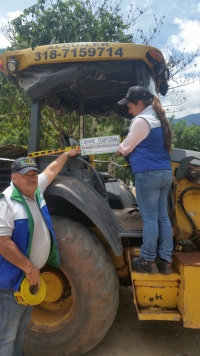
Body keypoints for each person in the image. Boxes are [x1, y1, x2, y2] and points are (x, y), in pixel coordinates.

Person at [0, 148, 81, 356]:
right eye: (26, 175)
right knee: (6, 336)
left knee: (19, 331)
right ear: (14, 178)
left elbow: (52, 169)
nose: (32, 178)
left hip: (31, 279)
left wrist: (67, 154)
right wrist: (29, 267)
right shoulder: (6, 203)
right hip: (12, 284)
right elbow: (3, 243)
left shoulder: (36, 192)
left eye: (34, 174)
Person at [116, 86, 173, 275]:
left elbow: (126, 148)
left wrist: (120, 148)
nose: (129, 111)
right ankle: (165, 260)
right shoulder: (157, 118)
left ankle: (148, 259)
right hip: (164, 172)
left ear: (140, 104)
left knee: (149, 219)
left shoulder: (141, 121)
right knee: (162, 217)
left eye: (130, 106)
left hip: (148, 174)